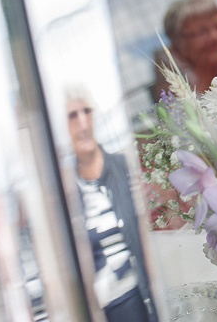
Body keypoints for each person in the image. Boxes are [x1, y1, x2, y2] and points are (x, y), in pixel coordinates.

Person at [66, 92, 158, 322]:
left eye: (87, 112)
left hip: (138, 296)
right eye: (72, 116)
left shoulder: (122, 166)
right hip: (103, 308)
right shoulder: (67, 191)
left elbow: (146, 235)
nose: (83, 122)